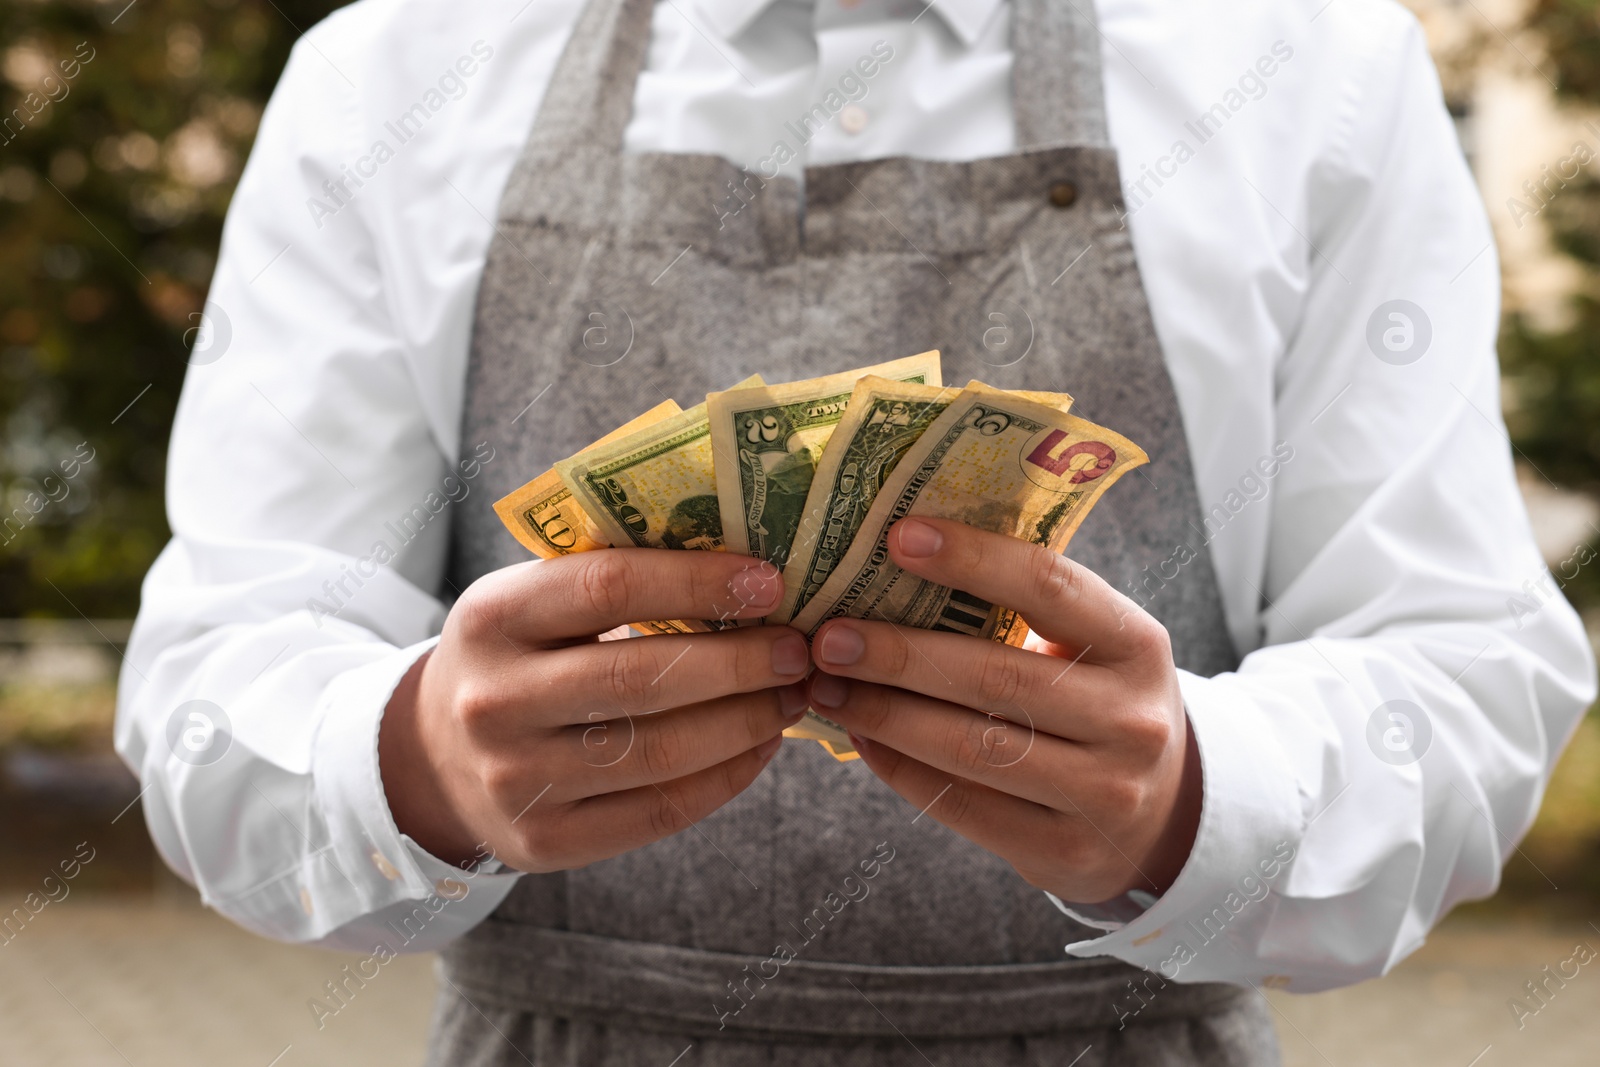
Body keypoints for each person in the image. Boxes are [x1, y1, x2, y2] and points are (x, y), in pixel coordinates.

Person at [116, 0, 1597, 1063]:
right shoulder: (392, 78)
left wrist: (1199, 794)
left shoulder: (1311, 67)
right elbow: (216, 676)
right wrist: (416, 760)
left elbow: (1460, 668)